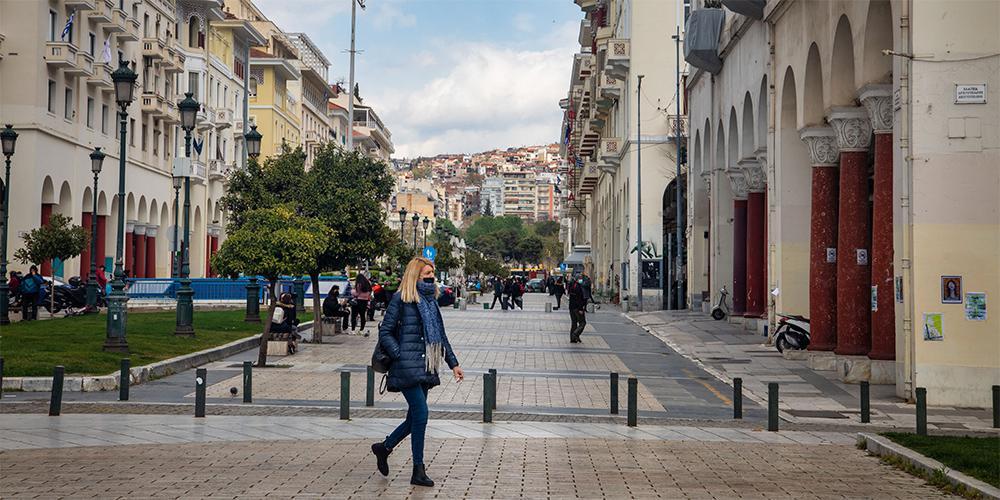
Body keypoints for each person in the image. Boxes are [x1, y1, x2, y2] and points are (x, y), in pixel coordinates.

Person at [371, 257, 463, 487]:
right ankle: (418, 470)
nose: (431, 277)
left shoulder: (431, 301)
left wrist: (454, 364)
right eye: (427, 274)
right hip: (407, 366)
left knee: (414, 418)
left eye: (432, 273)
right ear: (415, 276)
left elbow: (441, 336)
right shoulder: (400, 299)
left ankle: (384, 447)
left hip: (426, 366)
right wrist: (400, 354)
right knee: (421, 414)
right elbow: (386, 332)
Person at [567, 275, 587, 343]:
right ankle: (575, 334)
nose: (581, 280)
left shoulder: (571, 285)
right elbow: (579, 299)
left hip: (571, 307)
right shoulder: (578, 287)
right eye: (580, 279)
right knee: (583, 322)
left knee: (574, 323)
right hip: (577, 308)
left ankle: (572, 338)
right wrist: (580, 309)